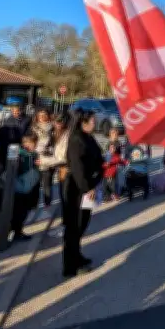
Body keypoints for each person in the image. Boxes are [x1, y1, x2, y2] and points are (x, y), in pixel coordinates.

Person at [63, 109, 103, 278]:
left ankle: (78, 256)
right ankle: (70, 266)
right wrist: (87, 188)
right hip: (77, 189)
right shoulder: (76, 140)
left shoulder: (88, 137)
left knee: (82, 224)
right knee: (74, 226)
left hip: (88, 187)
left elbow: (97, 155)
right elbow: (78, 169)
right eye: (92, 120)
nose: (95, 123)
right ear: (83, 122)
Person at [9, 133, 40, 242]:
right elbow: (13, 168)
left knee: (25, 210)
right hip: (19, 187)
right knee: (18, 211)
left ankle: (18, 230)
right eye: (26, 143)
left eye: (32, 143)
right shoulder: (19, 154)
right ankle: (15, 231)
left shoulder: (35, 155)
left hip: (30, 187)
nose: (29, 145)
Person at [32, 108, 55, 207]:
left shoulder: (53, 128)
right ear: (37, 117)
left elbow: (56, 143)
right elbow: (29, 142)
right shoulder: (33, 128)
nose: (42, 117)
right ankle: (34, 203)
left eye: (44, 115)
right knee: (35, 183)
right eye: (40, 115)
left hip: (48, 159)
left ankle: (47, 203)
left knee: (47, 184)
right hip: (36, 158)